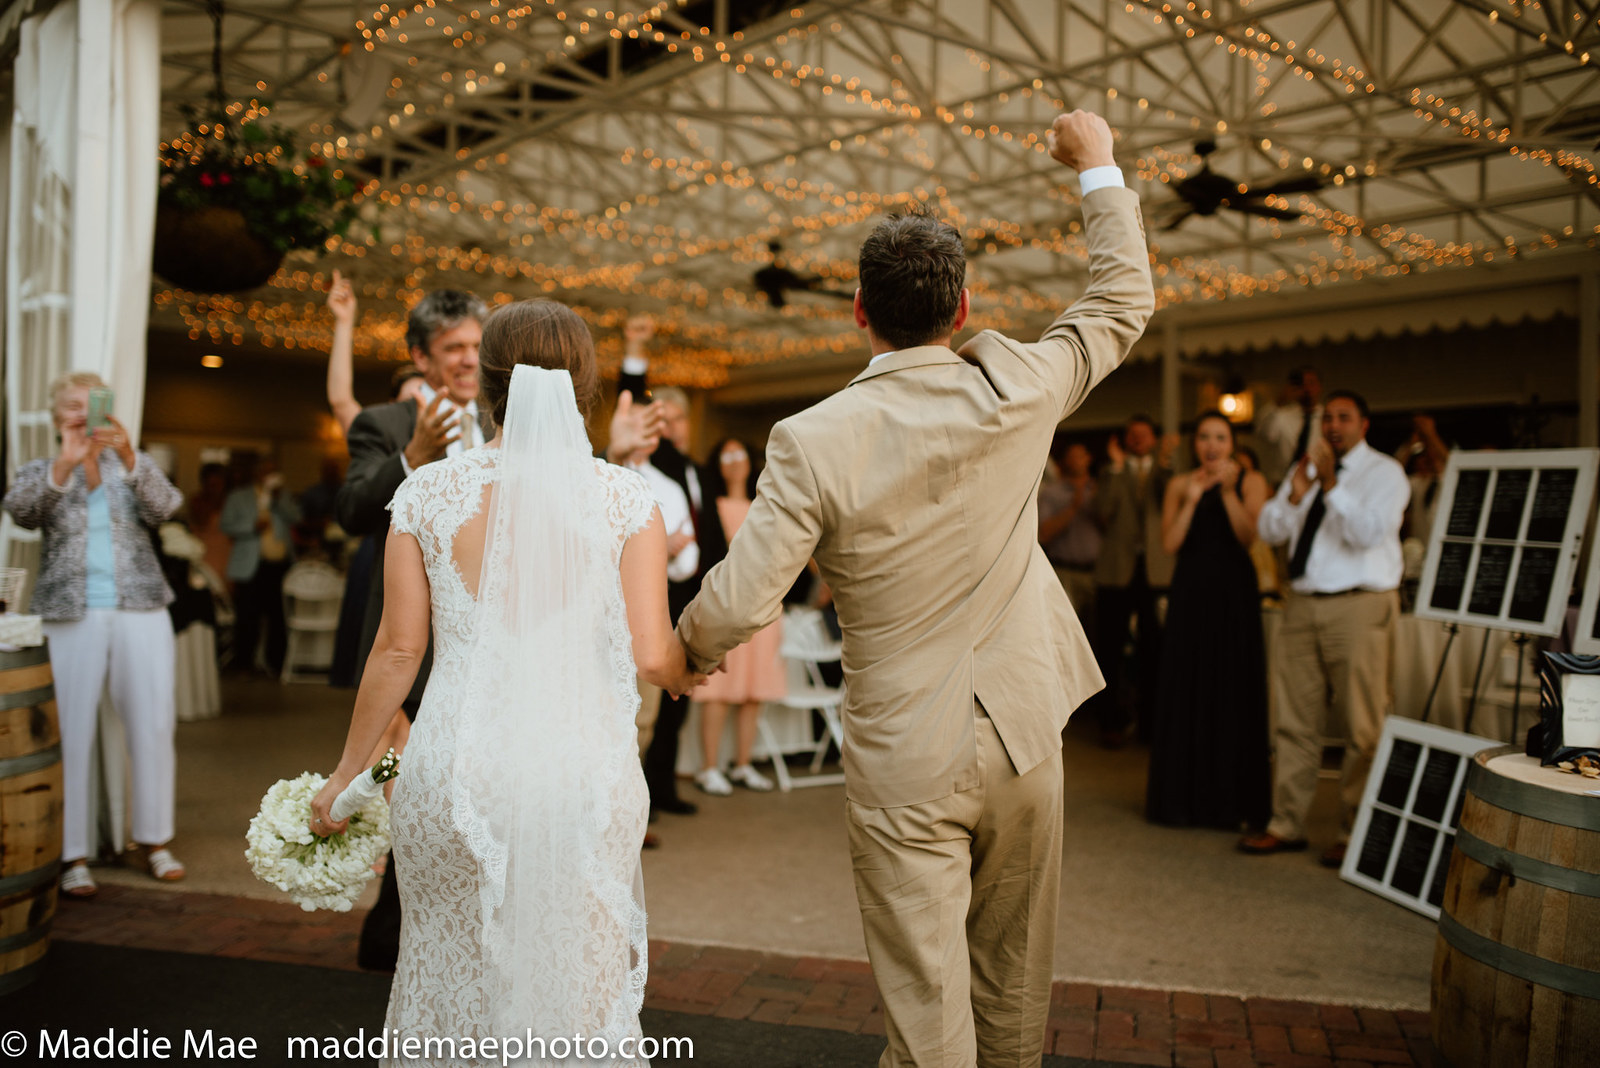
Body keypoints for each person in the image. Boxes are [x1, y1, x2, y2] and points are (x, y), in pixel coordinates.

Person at [675, 110, 1153, 1066]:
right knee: (1014, 982)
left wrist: (683, 653)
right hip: (1025, 733)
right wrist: (1099, 165)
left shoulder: (813, 437)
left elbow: (740, 599)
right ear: (964, 305)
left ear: (857, 309)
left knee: (928, 1010)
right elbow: (1119, 303)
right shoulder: (1019, 387)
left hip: (904, 749)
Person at [310, 300, 702, 1062]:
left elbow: (396, 652)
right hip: (581, 772)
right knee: (579, 986)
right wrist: (693, 667)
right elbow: (655, 656)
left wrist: (346, 774)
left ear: (487, 387)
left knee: (447, 979)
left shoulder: (426, 494)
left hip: (458, 769)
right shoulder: (628, 500)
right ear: (585, 386)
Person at [335, 287, 487, 970]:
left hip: (484, 635)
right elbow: (351, 508)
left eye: (477, 346)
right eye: (453, 348)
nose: (468, 359)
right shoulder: (383, 421)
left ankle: (460, 925)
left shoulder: (501, 419)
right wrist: (412, 459)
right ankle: (393, 929)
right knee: (407, 779)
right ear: (421, 356)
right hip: (412, 637)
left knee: (470, 784)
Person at [3, 372, 187, 897]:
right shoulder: (42, 470)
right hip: (69, 613)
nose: (86, 417)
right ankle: (73, 854)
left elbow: (169, 508)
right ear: (57, 416)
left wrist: (130, 459)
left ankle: (155, 842)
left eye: (94, 406)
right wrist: (65, 462)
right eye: (74, 408)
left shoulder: (132, 463)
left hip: (142, 607)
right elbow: (21, 511)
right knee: (71, 733)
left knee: (152, 725)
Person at [1241, 390, 1409, 868]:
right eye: (1328, 418)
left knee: (1362, 726)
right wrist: (1297, 492)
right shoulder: (1307, 469)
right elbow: (1270, 530)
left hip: (1358, 606)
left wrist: (1332, 486)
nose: (1333, 426)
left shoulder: (1384, 474)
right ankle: (1285, 823)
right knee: (1294, 721)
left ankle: (1353, 831)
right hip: (1302, 605)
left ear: (1364, 424)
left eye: (1344, 417)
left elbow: (1368, 534)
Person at [1147, 412, 1271, 830]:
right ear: (1194, 443)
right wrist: (1194, 498)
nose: (1212, 445)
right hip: (1191, 592)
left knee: (1234, 684)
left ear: (1232, 442)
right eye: (1204, 437)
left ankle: (1233, 800)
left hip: (1234, 593)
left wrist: (1230, 492)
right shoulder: (1181, 484)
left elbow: (1249, 537)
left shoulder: (1251, 481)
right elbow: (1169, 543)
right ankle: (1184, 799)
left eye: (1220, 437)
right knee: (1189, 684)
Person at [612, 319, 706, 819]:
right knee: (642, 703)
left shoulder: (695, 470)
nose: (670, 428)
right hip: (652, 597)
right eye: (660, 420)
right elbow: (629, 409)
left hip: (690, 596)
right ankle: (636, 800)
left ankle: (660, 789)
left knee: (674, 704)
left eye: (677, 418)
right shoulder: (651, 465)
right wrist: (635, 351)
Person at [691, 437, 783, 795]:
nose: (733, 459)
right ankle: (708, 767)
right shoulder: (711, 505)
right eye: (725, 453)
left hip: (765, 605)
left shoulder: (766, 504)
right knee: (719, 688)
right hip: (726, 604)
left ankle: (743, 763)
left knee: (752, 690)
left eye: (738, 452)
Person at [1089, 414, 1174, 747]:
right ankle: (1110, 721)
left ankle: (1151, 725)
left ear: (1154, 438)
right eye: (1131, 435)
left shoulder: (1166, 470)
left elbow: (1170, 499)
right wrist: (1116, 468)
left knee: (1156, 649)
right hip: (1116, 569)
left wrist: (1165, 462)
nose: (1137, 440)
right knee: (1109, 648)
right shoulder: (1113, 471)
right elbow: (1102, 512)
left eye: (1143, 435)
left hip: (1156, 570)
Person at [221, 454, 300, 675]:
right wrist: (251, 525)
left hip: (280, 566)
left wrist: (278, 500)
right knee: (247, 616)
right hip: (251, 565)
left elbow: (296, 517)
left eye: (273, 470)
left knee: (278, 617)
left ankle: (276, 665)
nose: (270, 475)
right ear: (257, 473)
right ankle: (244, 665)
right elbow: (226, 524)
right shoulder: (239, 496)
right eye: (266, 470)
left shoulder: (282, 496)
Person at [1038, 440, 1101, 632]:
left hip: (1098, 573)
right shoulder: (1051, 493)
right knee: (1063, 631)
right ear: (1064, 461)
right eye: (1072, 457)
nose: (1077, 461)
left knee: (1098, 631)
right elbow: (1043, 534)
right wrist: (1073, 507)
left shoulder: (1101, 491)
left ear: (1089, 459)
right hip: (1065, 573)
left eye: (1080, 456)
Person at [1257, 366, 1323, 483]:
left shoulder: (1327, 418)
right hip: (1283, 481)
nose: (1307, 389)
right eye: (1302, 384)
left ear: (1319, 386)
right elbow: (1263, 433)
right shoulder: (1283, 416)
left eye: (1311, 383)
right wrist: (1280, 400)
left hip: (1316, 482)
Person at [186, 462, 233, 586]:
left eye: (218, 483)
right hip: (202, 553)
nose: (214, 487)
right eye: (211, 483)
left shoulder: (231, 501)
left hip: (225, 555)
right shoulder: (197, 501)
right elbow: (201, 521)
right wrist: (213, 498)